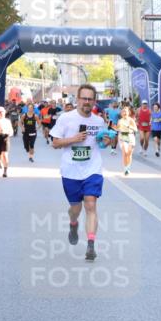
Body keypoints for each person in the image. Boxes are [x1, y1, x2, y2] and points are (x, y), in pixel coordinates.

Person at [50, 84, 113, 261]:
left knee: (91, 205)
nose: (86, 102)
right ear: (77, 99)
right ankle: (73, 223)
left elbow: (101, 143)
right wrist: (73, 139)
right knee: (75, 209)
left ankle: (91, 245)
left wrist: (107, 142)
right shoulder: (66, 119)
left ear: (94, 101)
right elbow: (54, 143)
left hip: (92, 169)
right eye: (83, 98)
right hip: (70, 171)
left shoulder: (99, 121)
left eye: (90, 99)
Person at [0, 107, 13, 177]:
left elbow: (11, 131)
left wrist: (9, 133)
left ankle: (5, 171)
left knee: (5, 155)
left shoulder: (7, 121)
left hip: (5, 138)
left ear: (5, 112)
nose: (1, 113)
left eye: (2, 112)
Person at [117, 105, 138, 176]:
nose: (124, 113)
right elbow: (117, 129)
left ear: (128, 113)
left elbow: (136, 129)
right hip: (123, 137)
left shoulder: (131, 120)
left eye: (126, 112)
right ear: (121, 113)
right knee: (125, 152)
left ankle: (128, 167)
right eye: (123, 112)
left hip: (130, 137)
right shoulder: (120, 121)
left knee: (129, 154)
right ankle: (125, 169)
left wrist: (129, 127)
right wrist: (112, 127)